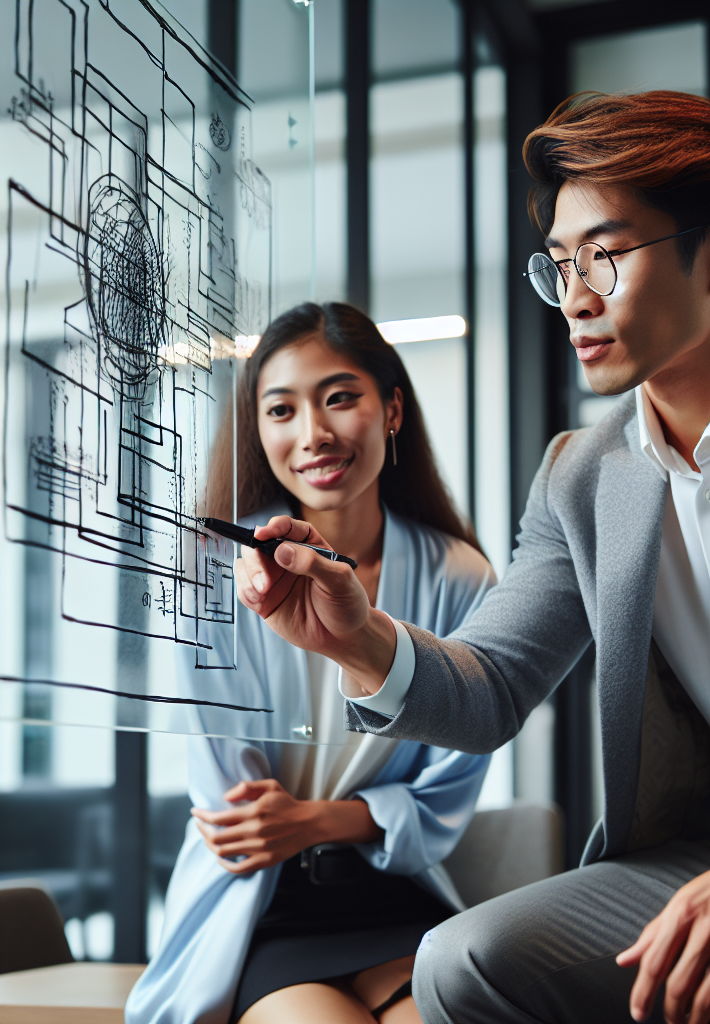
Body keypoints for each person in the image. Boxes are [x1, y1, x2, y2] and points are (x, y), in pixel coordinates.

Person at [230, 92, 710, 1024]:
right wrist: (358, 640)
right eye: (560, 263)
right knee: (461, 962)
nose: (575, 296)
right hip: (705, 852)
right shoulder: (580, 474)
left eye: (604, 256)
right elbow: (490, 687)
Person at [125, 303, 496, 1024]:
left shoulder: (459, 578)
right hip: (260, 906)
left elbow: (448, 790)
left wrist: (317, 820)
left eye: (339, 398)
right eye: (281, 410)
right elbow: (239, 819)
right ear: (258, 430)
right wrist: (323, 822)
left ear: (392, 411)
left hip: (393, 895)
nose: (313, 433)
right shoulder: (211, 572)